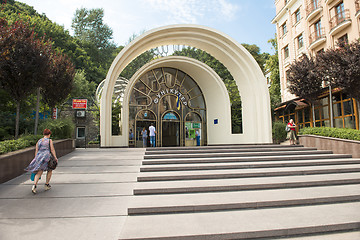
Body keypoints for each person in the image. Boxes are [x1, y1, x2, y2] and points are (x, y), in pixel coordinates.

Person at [24, 129, 58, 194]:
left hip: (39, 157)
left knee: (39, 171)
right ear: (49, 134)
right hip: (47, 157)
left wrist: (36, 158)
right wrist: (55, 157)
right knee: (50, 170)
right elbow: (52, 149)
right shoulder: (49, 140)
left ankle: (34, 185)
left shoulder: (39, 141)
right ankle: (46, 184)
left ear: (43, 134)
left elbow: (36, 150)